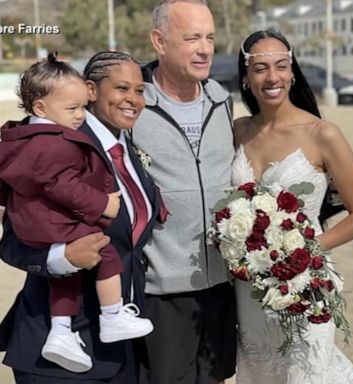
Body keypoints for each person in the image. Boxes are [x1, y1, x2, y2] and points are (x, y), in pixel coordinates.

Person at [0, 51, 163, 383]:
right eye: (121, 88)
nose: (133, 99)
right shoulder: (54, 143)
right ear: (91, 90)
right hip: (56, 351)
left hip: (120, 351)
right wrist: (62, 257)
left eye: (139, 90)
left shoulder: (128, 146)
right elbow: (14, 241)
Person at [232, 28, 353, 384]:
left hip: (303, 280)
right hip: (249, 290)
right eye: (260, 68)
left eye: (281, 66)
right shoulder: (237, 131)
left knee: (308, 370)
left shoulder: (323, 133)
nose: (272, 77)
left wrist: (302, 251)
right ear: (246, 78)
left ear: (292, 72)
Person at [130, 1, 236, 383]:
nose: (205, 49)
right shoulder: (132, 105)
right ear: (159, 41)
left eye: (209, 37)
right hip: (160, 291)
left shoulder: (223, 101)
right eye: (192, 38)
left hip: (222, 287)